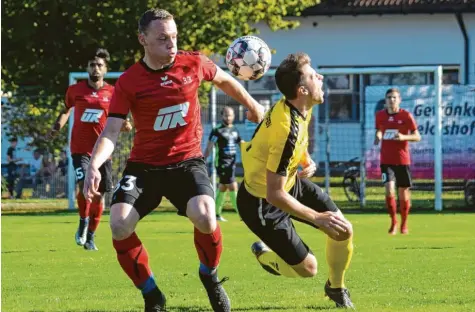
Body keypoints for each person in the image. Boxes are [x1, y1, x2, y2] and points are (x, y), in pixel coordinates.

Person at [82, 8, 264, 312]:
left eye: (175, 37)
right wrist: (94, 165)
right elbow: (112, 131)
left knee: (206, 216)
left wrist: (253, 104)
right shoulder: (129, 81)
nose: (172, 44)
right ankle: (152, 295)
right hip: (144, 166)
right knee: (118, 225)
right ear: (143, 39)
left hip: (186, 162)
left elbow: (224, 81)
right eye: (163, 38)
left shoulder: (193, 63)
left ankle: (210, 276)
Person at [237, 53, 355, 309]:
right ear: (302, 90)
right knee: (308, 269)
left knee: (343, 229)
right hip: (261, 203)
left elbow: (293, 146)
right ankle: (266, 256)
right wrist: (317, 218)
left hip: (290, 184)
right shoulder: (285, 129)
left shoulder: (301, 107)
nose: (321, 77)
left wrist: (305, 159)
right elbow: (274, 194)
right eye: (314, 76)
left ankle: (336, 288)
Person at [48, 48, 132, 250]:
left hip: (103, 153)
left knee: (99, 196)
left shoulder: (113, 93)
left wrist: (125, 125)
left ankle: (91, 237)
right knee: (84, 187)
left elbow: (121, 119)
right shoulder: (75, 90)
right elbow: (66, 110)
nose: (96, 68)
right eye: (92, 64)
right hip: (80, 150)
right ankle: (82, 222)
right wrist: (57, 126)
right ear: (87, 68)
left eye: (100, 65)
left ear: (105, 69)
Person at [374, 88, 421, 235]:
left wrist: (403, 137)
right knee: (389, 190)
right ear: (385, 100)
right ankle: (393, 222)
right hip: (386, 160)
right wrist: (378, 135)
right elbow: (379, 129)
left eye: (394, 97)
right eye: (389, 97)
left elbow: (417, 136)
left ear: (399, 99)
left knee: (403, 193)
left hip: (402, 160)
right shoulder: (380, 115)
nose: (391, 100)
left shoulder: (406, 116)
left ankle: (404, 224)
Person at [204, 106, 243, 221]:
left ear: (233, 116)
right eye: (226, 115)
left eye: (230, 115)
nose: (228, 117)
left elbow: (241, 143)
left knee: (222, 187)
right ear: (222, 116)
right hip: (222, 163)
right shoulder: (217, 130)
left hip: (232, 163)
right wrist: (203, 159)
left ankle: (215, 214)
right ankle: (241, 214)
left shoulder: (235, 129)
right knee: (233, 185)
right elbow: (209, 147)